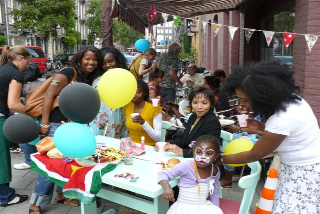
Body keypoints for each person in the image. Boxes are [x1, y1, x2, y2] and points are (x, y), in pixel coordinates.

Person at [222, 61, 320, 212]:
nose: (242, 104)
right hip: (302, 168)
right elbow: (289, 135)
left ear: (263, 96)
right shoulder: (293, 100)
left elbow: (252, 155)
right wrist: (262, 127)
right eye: (239, 98)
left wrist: (219, 159)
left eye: (246, 100)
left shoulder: (283, 118)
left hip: (304, 174)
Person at [29, 46, 101, 214]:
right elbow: (48, 95)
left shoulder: (86, 76)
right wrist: (45, 123)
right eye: (88, 58)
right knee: (52, 164)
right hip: (55, 124)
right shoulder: (69, 72)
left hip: (70, 124)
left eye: (94, 59)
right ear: (80, 58)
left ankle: (61, 195)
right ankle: (35, 204)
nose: (91, 62)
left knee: (66, 162)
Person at [158, 135, 223, 214]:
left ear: (216, 155)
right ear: (193, 151)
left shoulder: (215, 170)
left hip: (203, 208)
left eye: (208, 153)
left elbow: (215, 192)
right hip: (182, 208)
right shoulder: (186, 166)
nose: (202, 157)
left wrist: (215, 208)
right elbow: (163, 174)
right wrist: (166, 187)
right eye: (198, 152)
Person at [0, 46, 30, 207]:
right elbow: (13, 105)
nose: (27, 66)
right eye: (27, 61)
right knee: (2, 158)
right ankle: (5, 196)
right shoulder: (15, 74)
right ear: (20, 58)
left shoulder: (2, 69)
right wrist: (33, 112)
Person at [157, 87, 221, 158]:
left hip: (202, 163)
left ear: (211, 104)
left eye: (204, 103)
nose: (199, 107)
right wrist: (168, 144)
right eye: (195, 102)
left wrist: (183, 152)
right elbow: (184, 138)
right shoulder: (193, 116)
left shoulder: (212, 121)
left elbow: (210, 150)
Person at [90, 47, 127, 137]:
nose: (107, 65)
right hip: (99, 120)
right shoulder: (97, 80)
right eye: (103, 63)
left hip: (118, 117)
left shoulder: (125, 78)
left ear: (117, 60)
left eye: (110, 61)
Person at [14, 63, 42, 170]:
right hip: (40, 114)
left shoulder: (23, 85)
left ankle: (28, 160)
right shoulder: (40, 84)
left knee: (25, 137)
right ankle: (37, 159)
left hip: (28, 112)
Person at [124, 80, 162, 146]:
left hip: (149, 148)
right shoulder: (127, 107)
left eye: (138, 92)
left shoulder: (154, 109)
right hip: (132, 148)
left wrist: (144, 123)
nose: (134, 95)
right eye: (131, 92)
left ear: (144, 93)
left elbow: (157, 138)